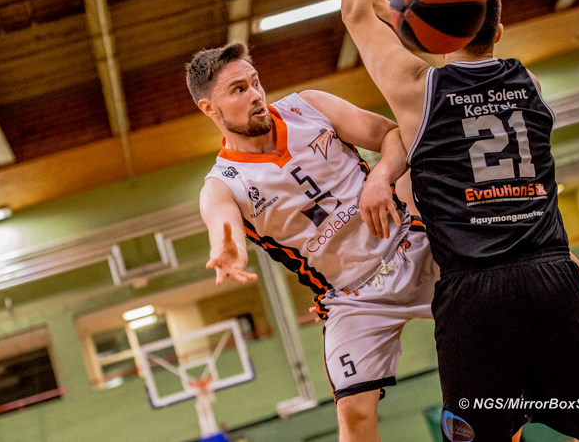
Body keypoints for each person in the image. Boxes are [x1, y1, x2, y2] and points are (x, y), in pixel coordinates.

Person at [340, 0, 579, 441]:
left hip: (474, 295)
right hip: (553, 282)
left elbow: (354, 14)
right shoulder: (529, 83)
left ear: (424, 35)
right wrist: (405, 21)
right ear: (495, 29)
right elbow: (453, 55)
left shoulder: (418, 90)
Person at [187, 42, 439, 442]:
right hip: (353, 297)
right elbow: (221, 223)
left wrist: (379, 177)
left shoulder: (309, 107)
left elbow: (391, 135)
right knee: (353, 414)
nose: (255, 95)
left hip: (412, 249)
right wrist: (225, 248)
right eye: (238, 90)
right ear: (209, 108)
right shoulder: (223, 184)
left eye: (255, 82)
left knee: (498, 327)